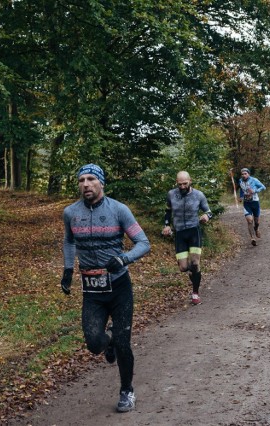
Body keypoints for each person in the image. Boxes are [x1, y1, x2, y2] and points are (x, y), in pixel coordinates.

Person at [61, 163, 151, 413]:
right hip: (92, 291)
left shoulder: (119, 210)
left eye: (91, 179)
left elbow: (144, 243)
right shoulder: (71, 213)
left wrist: (123, 258)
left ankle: (126, 391)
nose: (85, 184)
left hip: (119, 287)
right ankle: (107, 341)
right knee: (93, 343)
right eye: (81, 180)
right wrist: (68, 270)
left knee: (124, 343)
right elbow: (69, 242)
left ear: (101, 182)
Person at [162, 171, 213, 306]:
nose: (183, 186)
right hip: (180, 233)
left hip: (193, 231)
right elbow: (167, 211)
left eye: (185, 183)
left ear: (190, 181)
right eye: (180, 184)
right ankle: (194, 273)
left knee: (195, 263)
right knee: (184, 268)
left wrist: (206, 217)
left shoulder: (198, 195)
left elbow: (209, 211)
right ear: (176, 182)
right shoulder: (171, 194)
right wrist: (166, 226)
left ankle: (195, 293)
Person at [238, 168, 266, 246]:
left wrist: (254, 191)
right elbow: (241, 189)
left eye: (245, 174)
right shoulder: (240, 181)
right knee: (249, 220)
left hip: (255, 202)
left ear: (248, 174)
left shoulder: (254, 180)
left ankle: (256, 229)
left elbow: (263, 187)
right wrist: (241, 197)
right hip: (247, 204)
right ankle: (253, 238)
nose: (243, 175)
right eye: (242, 174)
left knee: (256, 222)